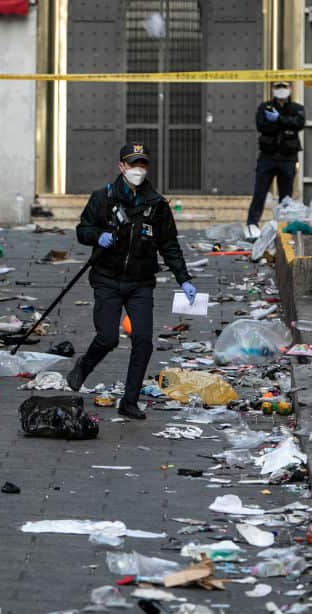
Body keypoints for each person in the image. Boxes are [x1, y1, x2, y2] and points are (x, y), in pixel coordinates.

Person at [68, 143, 196, 420]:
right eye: (132, 164)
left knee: (143, 340)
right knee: (108, 337)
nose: (138, 170)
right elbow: (83, 230)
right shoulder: (103, 197)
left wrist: (184, 279)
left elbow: (169, 245)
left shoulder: (157, 205)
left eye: (142, 165)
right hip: (107, 279)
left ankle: (129, 400)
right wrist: (97, 236)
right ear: (121, 166)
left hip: (140, 282)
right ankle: (84, 365)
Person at [245, 81, 305, 234]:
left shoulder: (297, 108)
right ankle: (252, 223)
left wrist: (279, 120)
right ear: (272, 89)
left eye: (284, 87)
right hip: (268, 156)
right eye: (278, 87)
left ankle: (283, 225)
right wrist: (285, 124)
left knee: (286, 196)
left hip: (288, 158)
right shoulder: (265, 107)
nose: (281, 90)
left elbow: (298, 124)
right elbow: (262, 126)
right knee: (260, 191)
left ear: (290, 89)